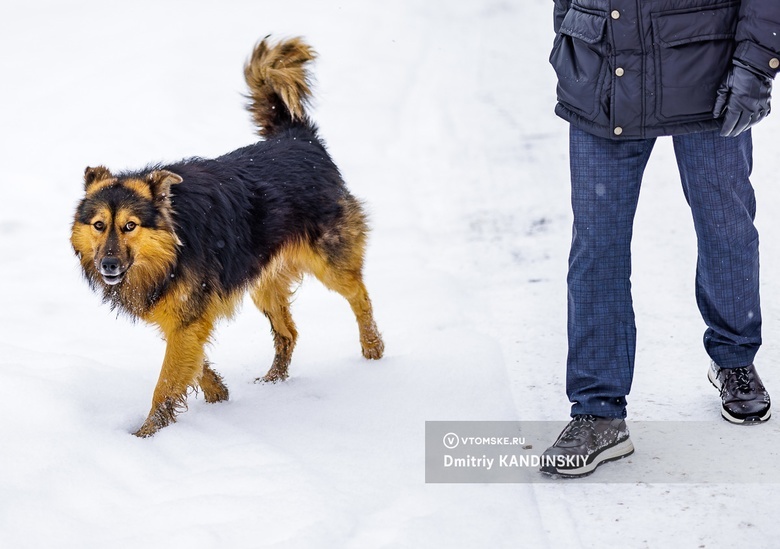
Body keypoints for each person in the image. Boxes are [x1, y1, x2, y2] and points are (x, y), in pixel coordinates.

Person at [541, 0, 780, 478]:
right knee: (597, 245)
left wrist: (756, 63)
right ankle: (598, 409)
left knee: (725, 225)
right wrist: (569, 37)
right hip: (603, 69)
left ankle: (734, 356)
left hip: (708, 69)